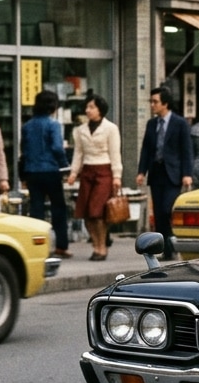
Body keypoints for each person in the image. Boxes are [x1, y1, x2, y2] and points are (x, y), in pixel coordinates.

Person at [137, 86, 193, 260]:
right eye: (151, 101)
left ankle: (173, 244)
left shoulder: (180, 123)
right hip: (156, 172)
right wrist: (141, 171)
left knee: (168, 209)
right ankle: (166, 250)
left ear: (165, 104)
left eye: (155, 102)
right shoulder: (151, 124)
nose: (152, 105)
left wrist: (187, 173)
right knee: (159, 214)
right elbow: (146, 149)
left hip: (173, 173)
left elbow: (186, 150)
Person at [68, 95, 123, 261]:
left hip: (104, 171)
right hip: (87, 171)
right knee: (86, 212)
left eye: (91, 107)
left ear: (100, 109)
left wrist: (117, 176)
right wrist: (73, 173)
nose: (87, 110)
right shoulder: (80, 130)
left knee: (97, 212)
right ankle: (95, 245)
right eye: (87, 107)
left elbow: (115, 153)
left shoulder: (111, 128)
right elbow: (78, 153)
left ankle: (102, 247)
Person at [21, 90, 72, 257]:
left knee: (37, 209)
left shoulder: (27, 126)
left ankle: (38, 247)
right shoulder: (53, 125)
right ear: (53, 106)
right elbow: (57, 147)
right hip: (50, 170)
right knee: (58, 208)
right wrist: (64, 164)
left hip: (32, 171)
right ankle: (61, 246)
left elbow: (24, 150)